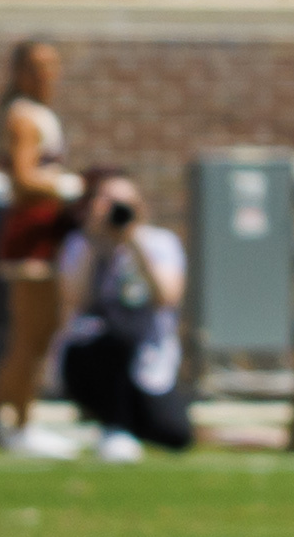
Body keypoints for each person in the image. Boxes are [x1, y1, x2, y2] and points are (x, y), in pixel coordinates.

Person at [0, 42, 78, 452]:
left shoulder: (39, 114)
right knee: (31, 336)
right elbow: (22, 179)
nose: (46, 74)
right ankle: (21, 425)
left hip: (47, 232)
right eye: (36, 67)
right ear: (19, 72)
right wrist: (69, 186)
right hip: (30, 231)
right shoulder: (23, 117)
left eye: (52, 65)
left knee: (40, 332)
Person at [49, 173, 195, 457]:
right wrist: (95, 241)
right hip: (89, 356)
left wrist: (133, 242)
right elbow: (75, 300)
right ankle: (115, 427)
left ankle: (121, 422)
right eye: (107, 201)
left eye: (123, 203)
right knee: (116, 336)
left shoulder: (159, 243)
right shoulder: (80, 244)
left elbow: (166, 296)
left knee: (175, 434)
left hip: (147, 360)